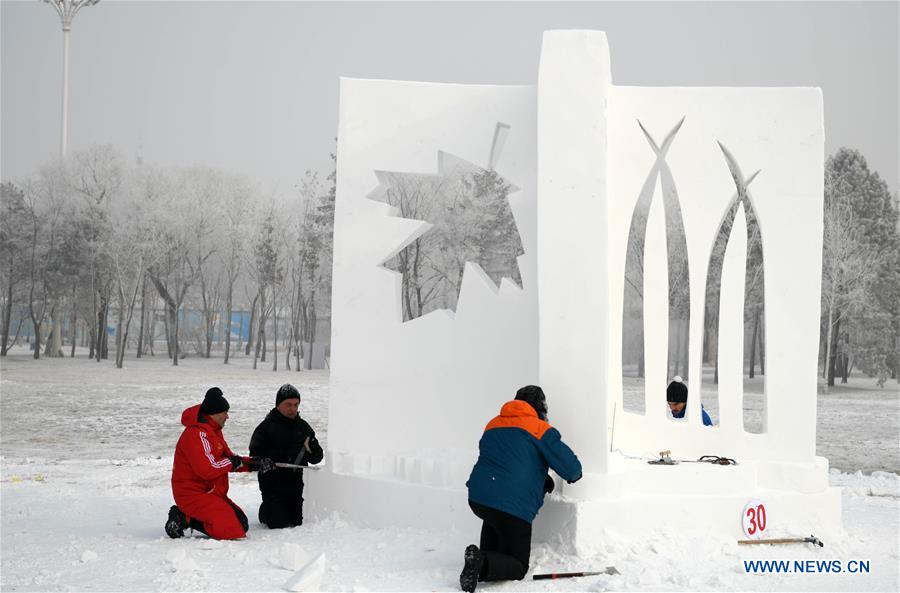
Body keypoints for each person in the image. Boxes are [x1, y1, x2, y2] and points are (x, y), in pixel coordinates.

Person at [460, 385, 582, 593]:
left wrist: (541, 479)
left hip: (480, 499)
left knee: (495, 529)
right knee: (518, 565)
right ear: (541, 407)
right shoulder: (539, 429)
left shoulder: (493, 424)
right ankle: (481, 562)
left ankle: (480, 559)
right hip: (512, 507)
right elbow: (572, 470)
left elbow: (511, 460)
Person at [165, 387, 274, 540]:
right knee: (232, 530)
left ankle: (189, 517)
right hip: (192, 494)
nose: (227, 417)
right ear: (214, 414)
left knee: (241, 524)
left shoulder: (213, 431)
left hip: (209, 492)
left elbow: (228, 459)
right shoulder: (197, 434)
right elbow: (208, 469)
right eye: (224, 412)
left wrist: (254, 464)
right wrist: (231, 462)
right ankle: (184, 517)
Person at [249, 383, 324, 529]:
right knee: (278, 523)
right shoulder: (265, 428)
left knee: (296, 522)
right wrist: (268, 460)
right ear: (278, 405)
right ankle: (265, 510)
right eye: (288, 404)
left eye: (296, 405)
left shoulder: (303, 427)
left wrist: (313, 446)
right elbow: (254, 457)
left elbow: (316, 459)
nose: (293, 409)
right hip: (273, 486)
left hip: (296, 486)